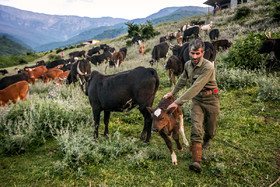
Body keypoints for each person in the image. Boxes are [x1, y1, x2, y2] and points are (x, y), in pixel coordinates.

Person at [164, 39, 220, 173]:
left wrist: (177, 102)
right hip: (197, 101)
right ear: (189, 52)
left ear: (203, 52)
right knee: (196, 127)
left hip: (211, 99)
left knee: (211, 130)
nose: (195, 57)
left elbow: (195, 87)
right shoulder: (188, 65)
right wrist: (172, 93)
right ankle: (196, 161)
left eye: (197, 53)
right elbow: (182, 80)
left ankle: (206, 141)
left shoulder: (208, 67)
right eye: (192, 53)